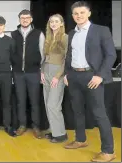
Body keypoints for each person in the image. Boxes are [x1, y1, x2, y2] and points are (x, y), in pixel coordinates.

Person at [64, 1, 116, 162]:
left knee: (99, 114)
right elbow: (69, 56)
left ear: (89, 13)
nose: (78, 16)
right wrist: (67, 74)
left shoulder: (101, 30)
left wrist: (100, 75)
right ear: (72, 16)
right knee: (77, 111)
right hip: (74, 77)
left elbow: (110, 55)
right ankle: (80, 140)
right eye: (75, 13)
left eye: (82, 12)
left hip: (93, 77)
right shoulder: (72, 33)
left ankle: (108, 151)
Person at [10, 9, 45, 139]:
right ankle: (22, 125)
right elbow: (11, 53)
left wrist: (39, 69)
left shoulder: (39, 33)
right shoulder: (13, 34)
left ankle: (36, 127)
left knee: (35, 101)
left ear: (31, 19)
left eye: (27, 18)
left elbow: (43, 54)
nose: (25, 20)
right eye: (22, 18)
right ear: (19, 20)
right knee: (20, 101)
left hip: (33, 73)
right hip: (18, 73)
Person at [40, 14, 68, 143]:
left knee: (53, 105)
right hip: (46, 72)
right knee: (47, 103)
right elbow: (45, 59)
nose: (54, 24)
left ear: (61, 23)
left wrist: (58, 76)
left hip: (58, 73)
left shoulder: (65, 38)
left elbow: (66, 60)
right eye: (51, 22)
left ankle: (61, 134)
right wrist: (42, 72)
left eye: (56, 21)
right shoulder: (48, 38)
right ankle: (54, 130)